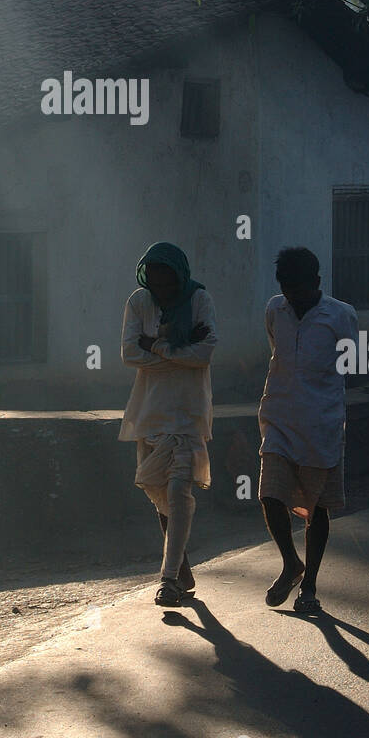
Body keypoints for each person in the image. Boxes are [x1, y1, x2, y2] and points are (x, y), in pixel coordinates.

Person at [257, 246, 358, 615]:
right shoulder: (275, 310)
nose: (293, 297)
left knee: (318, 507)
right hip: (279, 416)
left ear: (316, 281)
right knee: (270, 494)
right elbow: (278, 349)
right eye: (287, 290)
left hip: (321, 424)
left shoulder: (341, 315)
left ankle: (310, 584)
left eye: (299, 289)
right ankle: (290, 562)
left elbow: (348, 365)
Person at [119, 242, 217, 606]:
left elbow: (204, 354)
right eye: (155, 285)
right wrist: (178, 347)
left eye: (167, 285)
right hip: (150, 411)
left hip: (188, 412)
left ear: (180, 277)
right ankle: (181, 566)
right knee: (159, 491)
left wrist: (156, 345)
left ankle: (169, 579)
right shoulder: (138, 302)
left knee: (178, 493)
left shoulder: (199, 300)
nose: (161, 292)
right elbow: (130, 353)